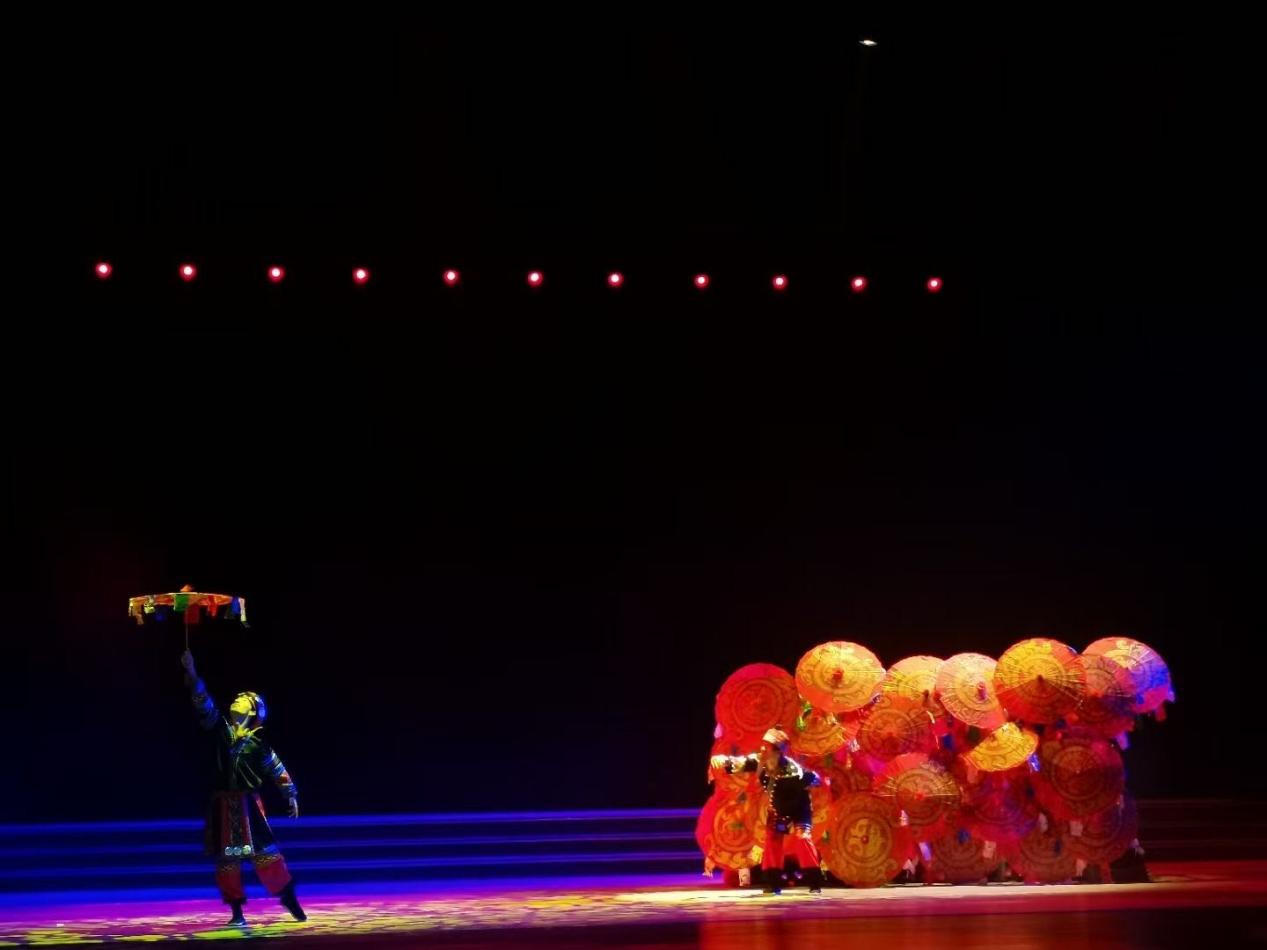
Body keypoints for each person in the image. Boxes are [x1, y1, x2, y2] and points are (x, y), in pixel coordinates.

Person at [181, 648, 306, 926]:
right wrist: (191, 672)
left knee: (267, 856)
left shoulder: (258, 743)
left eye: (243, 699)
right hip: (223, 805)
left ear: (252, 711)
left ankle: (288, 896)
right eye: (236, 698)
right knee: (227, 862)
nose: (236, 699)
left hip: (249, 805)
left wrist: (291, 794)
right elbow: (203, 703)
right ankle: (236, 912)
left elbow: (276, 768)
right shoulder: (221, 730)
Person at [710, 727, 825, 894]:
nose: (763, 749)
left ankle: (814, 882)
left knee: (803, 839)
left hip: (799, 809)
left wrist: (813, 780)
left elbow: (815, 779)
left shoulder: (794, 771)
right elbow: (743, 762)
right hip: (778, 809)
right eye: (763, 745)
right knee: (772, 840)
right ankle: (773, 883)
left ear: (779, 751)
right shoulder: (762, 760)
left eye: (768, 747)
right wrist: (722, 760)